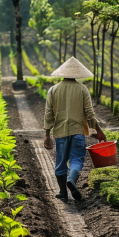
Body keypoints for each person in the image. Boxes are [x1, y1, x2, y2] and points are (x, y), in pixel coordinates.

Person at [43, 57, 105, 201]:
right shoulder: (82, 89)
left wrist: (47, 134)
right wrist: (97, 131)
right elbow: (90, 113)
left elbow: (48, 114)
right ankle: (72, 179)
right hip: (78, 131)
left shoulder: (53, 90)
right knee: (77, 159)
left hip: (60, 132)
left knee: (61, 162)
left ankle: (63, 192)